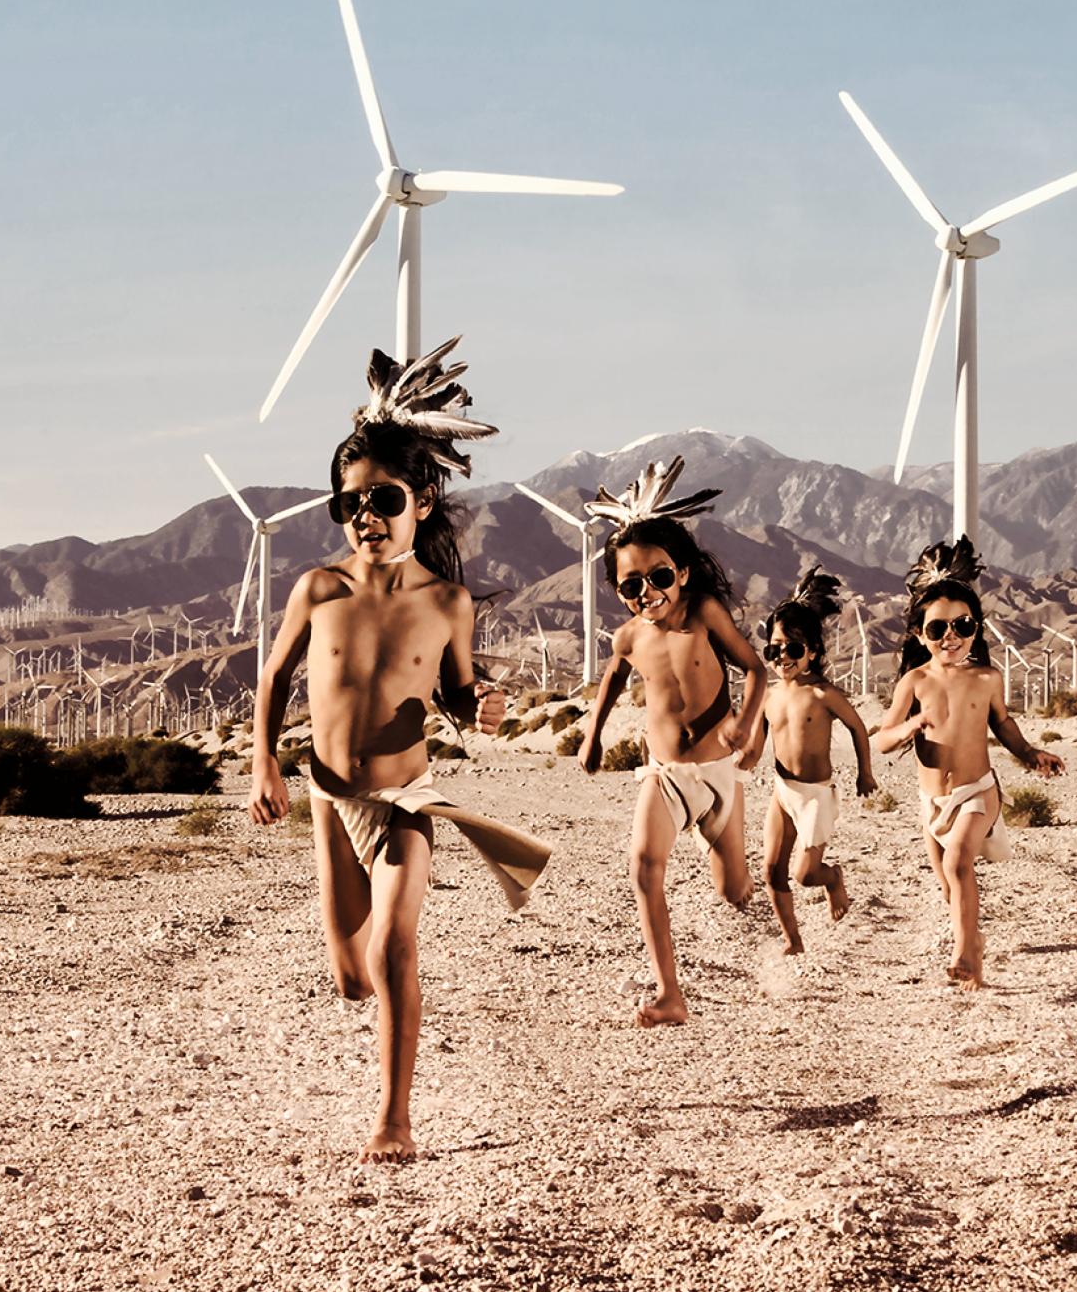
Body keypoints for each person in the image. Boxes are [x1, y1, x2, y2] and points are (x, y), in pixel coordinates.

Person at [246, 339, 550, 1164]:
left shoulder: (448, 602)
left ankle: (394, 1116)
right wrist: (264, 762)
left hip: (406, 799)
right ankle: (393, 1009)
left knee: (393, 947)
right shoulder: (319, 588)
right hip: (327, 794)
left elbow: (452, 690)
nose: (366, 517)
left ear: (422, 501)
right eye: (349, 504)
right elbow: (273, 679)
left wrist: (476, 704)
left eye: (383, 499)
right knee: (350, 975)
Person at [577, 458, 764, 1027]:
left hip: (720, 774)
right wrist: (592, 737)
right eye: (631, 584)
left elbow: (755, 670)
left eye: (658, 577)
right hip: (665, 775)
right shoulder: (628, 636)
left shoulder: (705, 614)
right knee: (643, 866)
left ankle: (729, 851)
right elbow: (610, 680)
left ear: (682, 572)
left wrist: (745, 726)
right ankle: (669, 992)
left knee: (734, 892)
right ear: (617, 590)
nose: (647, 591)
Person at [871, 537, 1064, 990]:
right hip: (931, 802)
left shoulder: (987, 679)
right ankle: (973, 941)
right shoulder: (913, 682)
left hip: (979, 792)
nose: (951, 636)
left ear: (976, 628)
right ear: (920, 635)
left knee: (960, 864)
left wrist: (1031, 753)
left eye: (962, 624)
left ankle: (962, 955)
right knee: (948, 886)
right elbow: (881, 739)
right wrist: (911, 726)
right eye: (937, 629)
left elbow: (1004, 725)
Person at [740, 567, 876, 955]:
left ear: (812, 652)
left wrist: (864, 773)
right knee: (771, 870)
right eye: (775, 648)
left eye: (794, 648)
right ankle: (793, 940)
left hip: (816, 795)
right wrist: (730, 766)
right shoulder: (769, 697)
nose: (783, 656)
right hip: (782, 791)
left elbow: (858, 728)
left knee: (804, 874)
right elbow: (754, 749)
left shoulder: (824, 694)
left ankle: (832, 878)